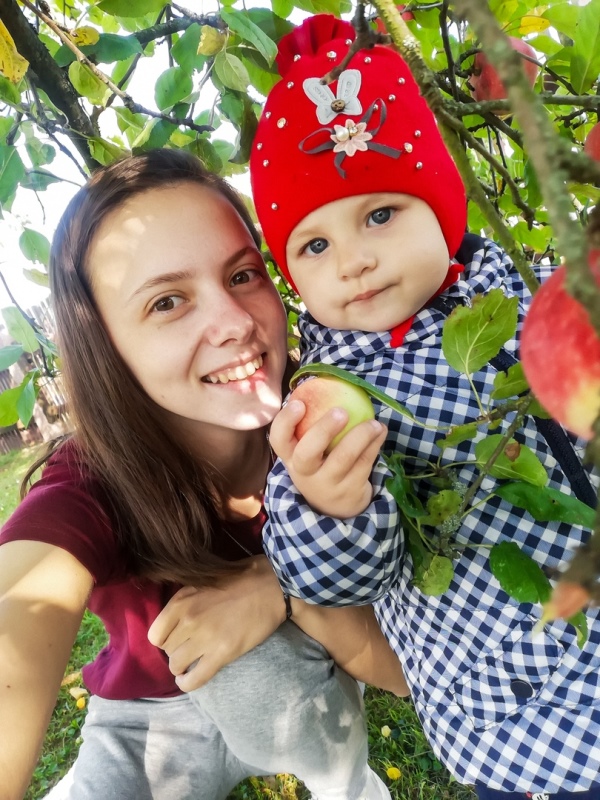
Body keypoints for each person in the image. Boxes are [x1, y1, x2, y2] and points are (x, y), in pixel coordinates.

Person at [249, 14, 600, 800]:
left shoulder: (516, 292)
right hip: (521, 718)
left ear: (442, 208)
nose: (354, 260)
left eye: (380, 215)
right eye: (314, 246)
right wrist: (329, 505)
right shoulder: (334, 394)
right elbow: (333, 577)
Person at [0, 149, 408, 800]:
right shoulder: (88, 487)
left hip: (293, 689)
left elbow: (414, 669)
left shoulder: (338, 414)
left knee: (266, 675)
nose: (236, 323)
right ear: (106, 346)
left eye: (243, 275)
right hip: (144, 721)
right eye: (167, 302)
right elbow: (18, 610)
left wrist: (285, 583)